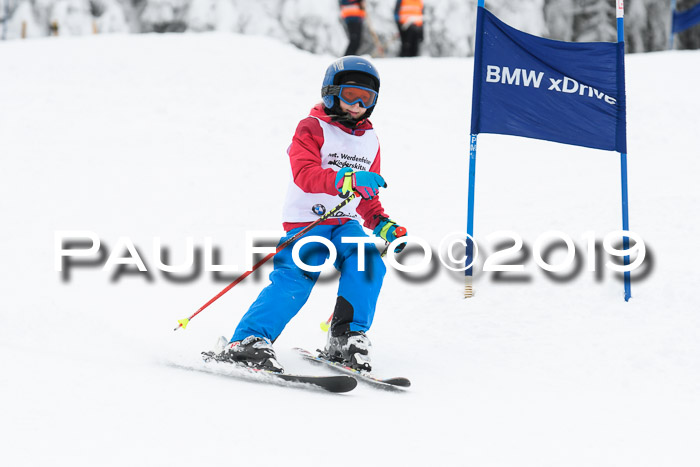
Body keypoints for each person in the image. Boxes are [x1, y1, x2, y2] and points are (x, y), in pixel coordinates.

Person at [216, 56, 407, 374]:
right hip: (309, 221)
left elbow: (368, 197)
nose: (358, 104)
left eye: (367, 98)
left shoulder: (370, 141)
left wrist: (383, 224)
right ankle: (247, 341)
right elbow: (304, 173)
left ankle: (345, 337)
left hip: (346, 222)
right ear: (331, 92)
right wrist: (345, 179)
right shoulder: (312, 127)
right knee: (299, 274)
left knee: (368, 262)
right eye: (350, 95)